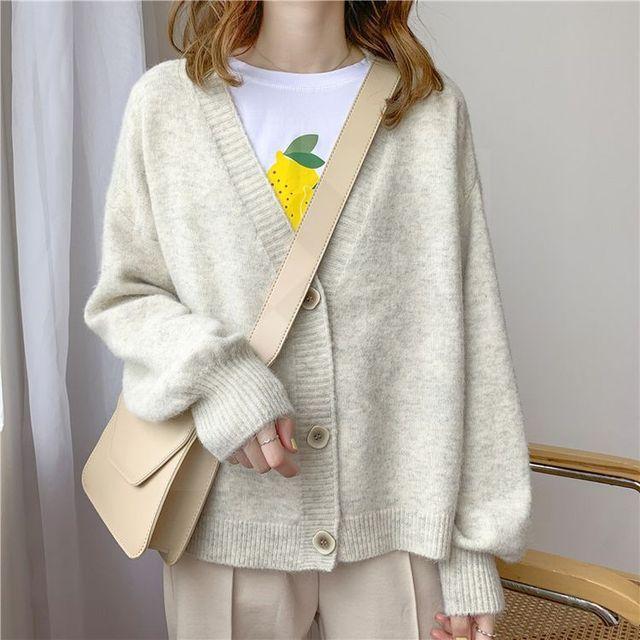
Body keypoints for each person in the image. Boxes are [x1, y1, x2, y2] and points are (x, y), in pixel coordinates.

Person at [83, 1, 532, 638]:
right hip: (231, 521)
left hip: (400, 529)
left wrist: (473, 547)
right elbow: (126, 296)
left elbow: (475, 334)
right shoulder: (168, 105)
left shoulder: (429, 112)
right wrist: (222, 377)